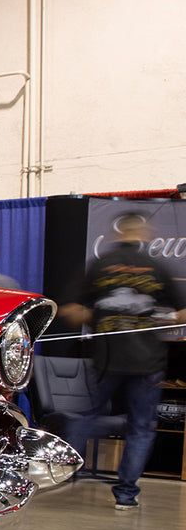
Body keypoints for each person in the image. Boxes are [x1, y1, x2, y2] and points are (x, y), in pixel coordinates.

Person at [59, 211, 186, 510]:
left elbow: (70, 309)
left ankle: (61, 470)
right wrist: (158, 320)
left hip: (106, 359)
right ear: (144, 234)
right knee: (140, 428)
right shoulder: (156, 267)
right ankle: (126, 496)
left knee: (88, 418)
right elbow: (183, 313)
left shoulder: (99, 265)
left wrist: (103, 320)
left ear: (119, 233)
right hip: (147, 362)